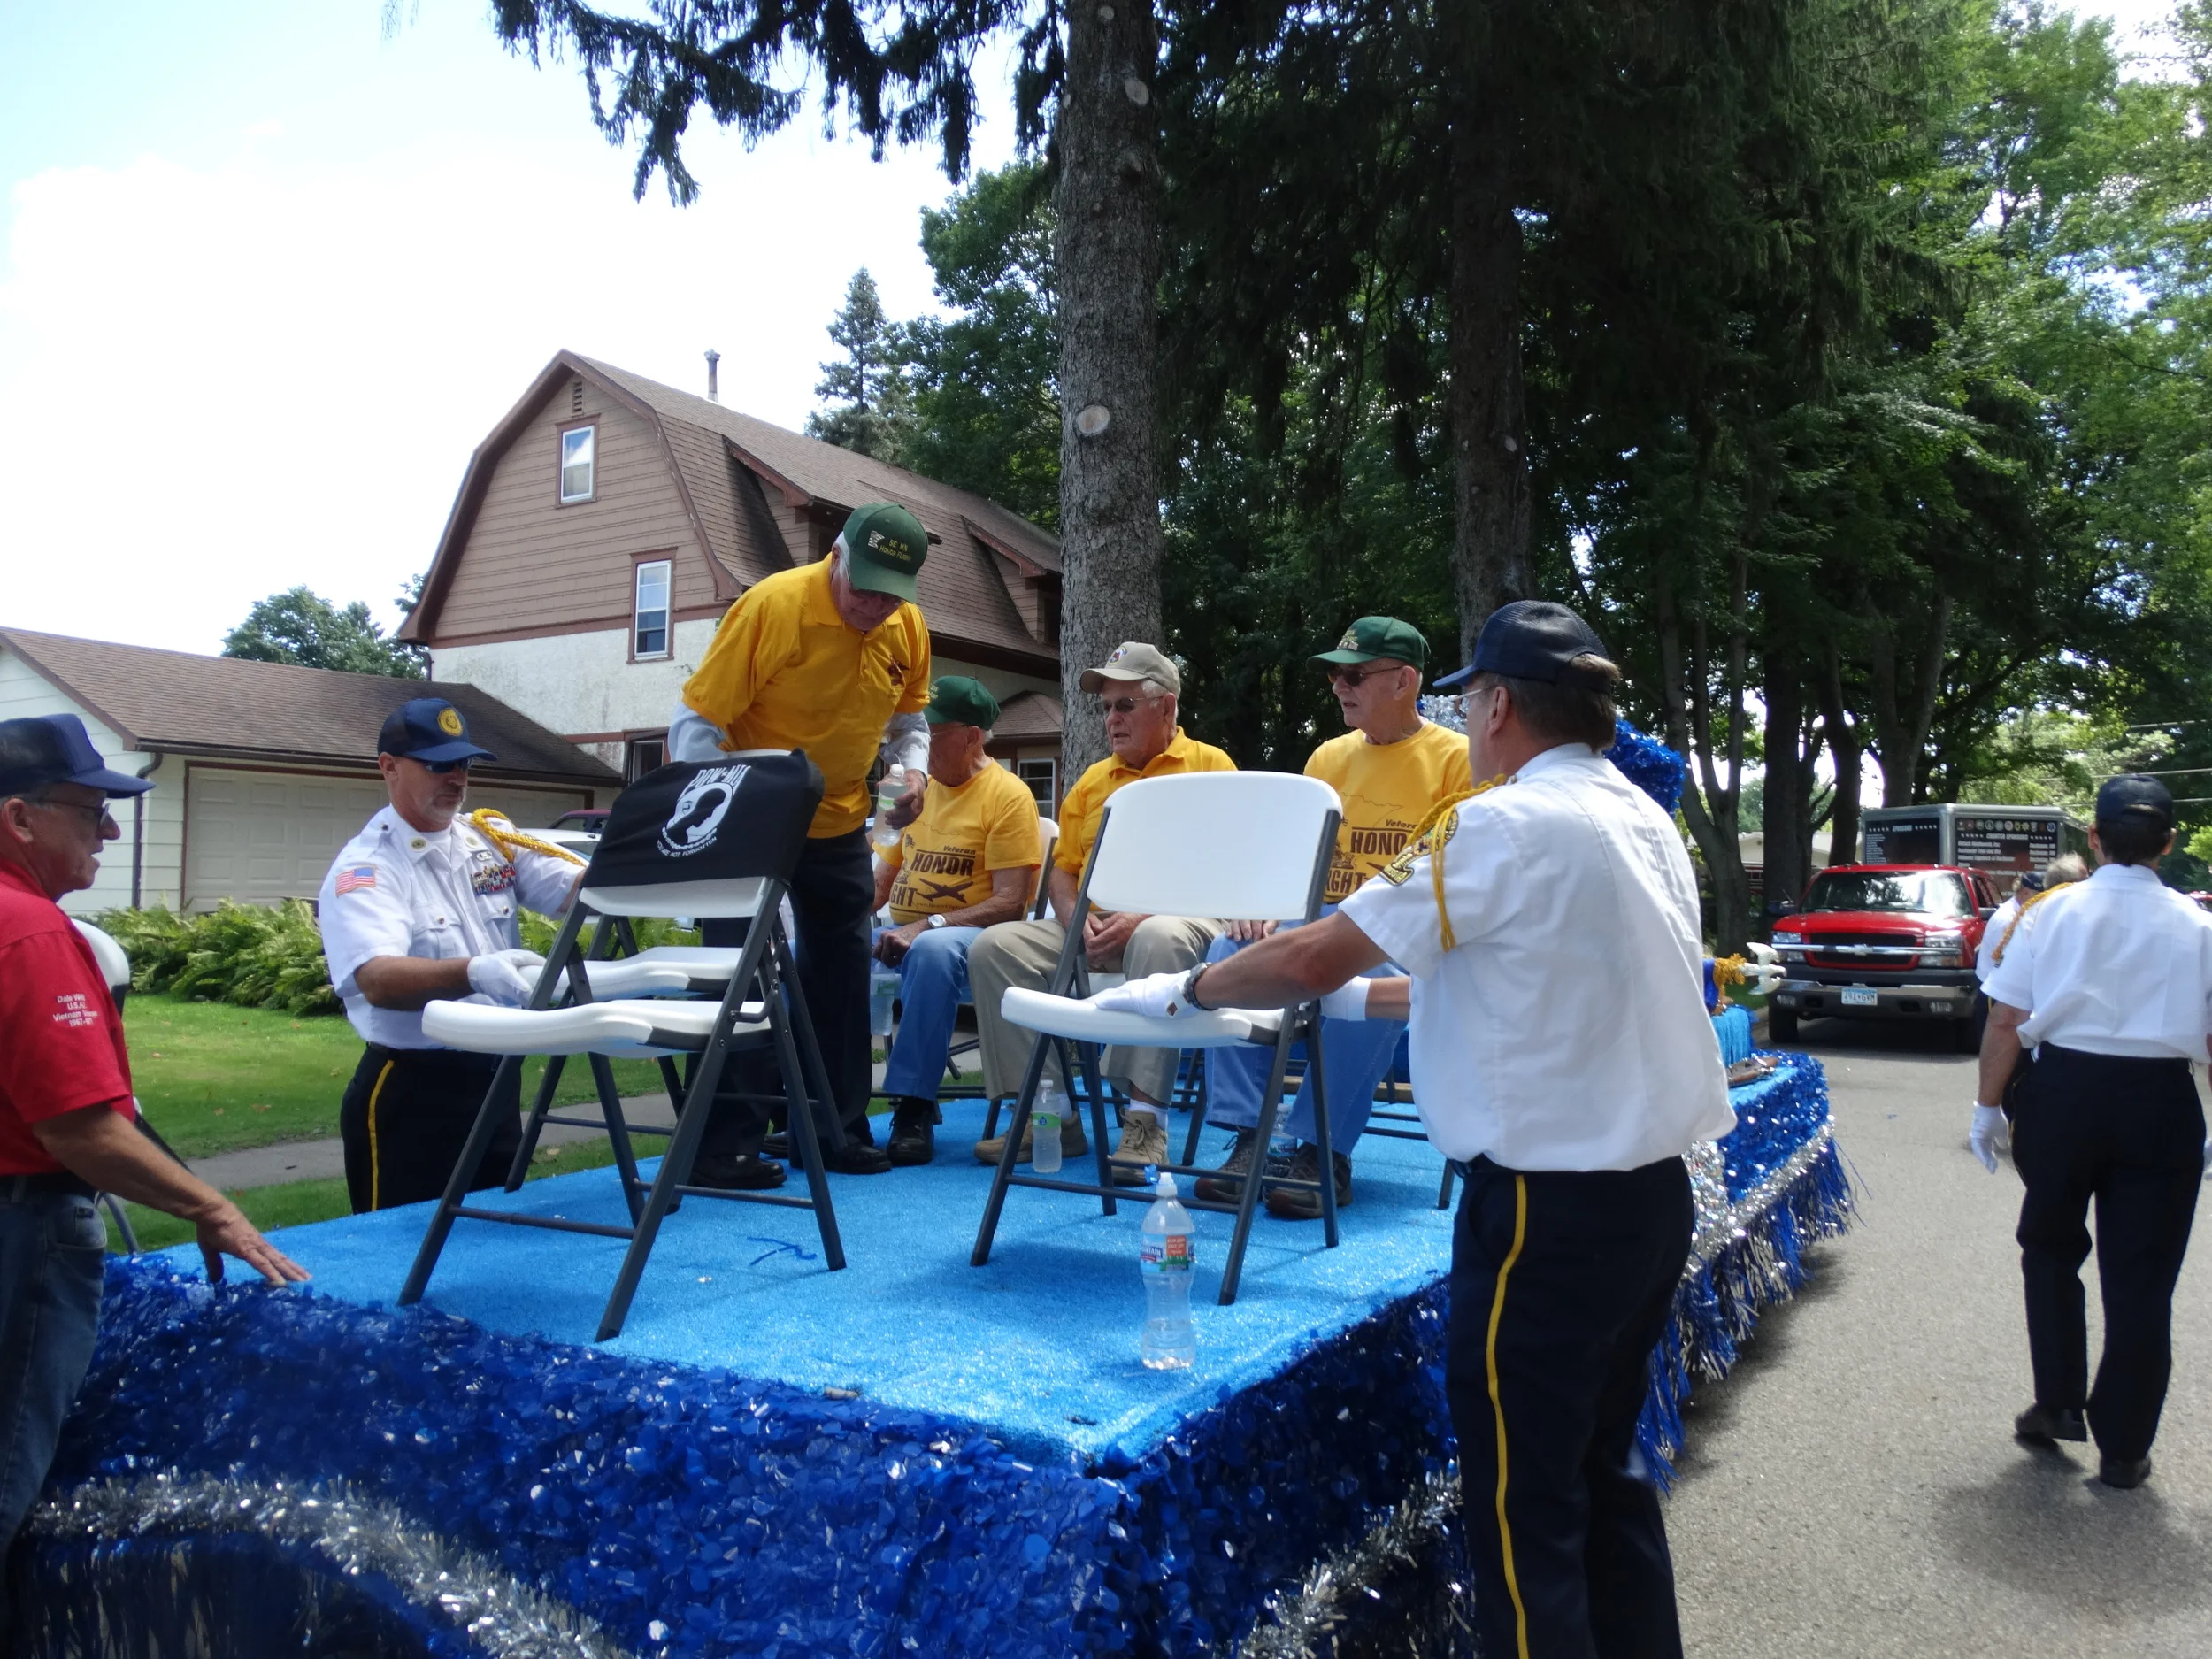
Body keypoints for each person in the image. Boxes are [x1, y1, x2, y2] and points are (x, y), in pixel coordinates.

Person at [1092, 600, 1733, 1658]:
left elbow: (1311, 959)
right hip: (1647, 1196)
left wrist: (1182, 988)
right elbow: (1492, 983)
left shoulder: (1498, 822)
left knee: (1526, 1509)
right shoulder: (1639, 817)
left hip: (1543, 1211)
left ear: (1492, 706)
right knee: (1603, 1476)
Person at [0, 715, 308, 1636]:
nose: (111, 832)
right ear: (19, 818)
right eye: (90, 811)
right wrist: (209, 1207)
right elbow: (82, 1131)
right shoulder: (30, 932)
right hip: (24, 1224)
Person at [671, 503, 934, 1185]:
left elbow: (910, 722)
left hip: (839, 816)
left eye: (891, 594)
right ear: (837, 557)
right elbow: (697, 721)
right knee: (741, 973)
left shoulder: (905, 626)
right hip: (751, 816)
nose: (876, 605)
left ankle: (832, 1129)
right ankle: (722, 1143)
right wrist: (716, 814)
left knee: (843, 974)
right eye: (865, 587)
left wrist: (914, 773)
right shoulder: (773, 607)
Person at [1974, 776, 2212, 1490]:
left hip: (2066, 1091)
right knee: (2143, 1278)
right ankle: (2125, 1445)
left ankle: (2057, 1400)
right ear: (2168, 844)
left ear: (2095, 838)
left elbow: (2005, 1018)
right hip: (2162, 1097)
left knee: (2049, 1246)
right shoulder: (2201, 925)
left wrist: (1987, 1105)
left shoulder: (2051, 912)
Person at [1194, 616, 1471, 1219]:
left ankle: (1323, 1148)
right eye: (1333, 676)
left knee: (1367, 970)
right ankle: (1250, 1140)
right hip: (1318, 916)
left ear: (1404, 680)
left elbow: (1457, 875)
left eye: (1354, 674)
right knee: (1228, 952)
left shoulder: (1457, 760)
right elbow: (1295, 858)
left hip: (1403, 927)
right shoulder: (1327, 757)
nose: (1339, 686)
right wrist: (1265, 908)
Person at [965, 643, 1235, 1180]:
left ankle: (1145, 1122)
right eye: (1107, 707)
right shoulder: (1092, 781)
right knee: (994, 947)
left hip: (1186, 923)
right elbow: (1063, 869)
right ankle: (1053, 1118)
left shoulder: (1211, 767)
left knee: (1158, 936)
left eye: (1125, 705)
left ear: (1168, 708)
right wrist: (1073, 919)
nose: (1112, 718)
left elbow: (1226, 869)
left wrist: (1140, 916)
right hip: (1096, 928)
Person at [318, 698, 586, 1213]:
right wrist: (474, 972)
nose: (457, 778)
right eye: (438, 764)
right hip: (414, 1089)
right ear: (389, 767)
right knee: (400, 1252)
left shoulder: (487, 840)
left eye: (463, 764)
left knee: (491, 1241)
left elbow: (577, 888)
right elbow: (376, 978)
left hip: (495, 1080)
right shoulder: (369, 867)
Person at [870, 677, 1042, 1166]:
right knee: (810, 950)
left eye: (931, 733)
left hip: (974, 942)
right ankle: (819, 1108)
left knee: (931, 951)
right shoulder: (902, 787)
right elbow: (880, 881)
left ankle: (914, 1106)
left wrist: (927, 925)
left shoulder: (1009, 795)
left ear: (972, 736)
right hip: (899, 931)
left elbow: (1012, 901)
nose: (913, 748)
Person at [1975, 853, 2089, 982]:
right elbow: (2009, 968)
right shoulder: (2008, 919)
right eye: (2040, 895)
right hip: (1994, 988)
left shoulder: (2029, 914)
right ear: (2025, 893)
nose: (2045, 898)